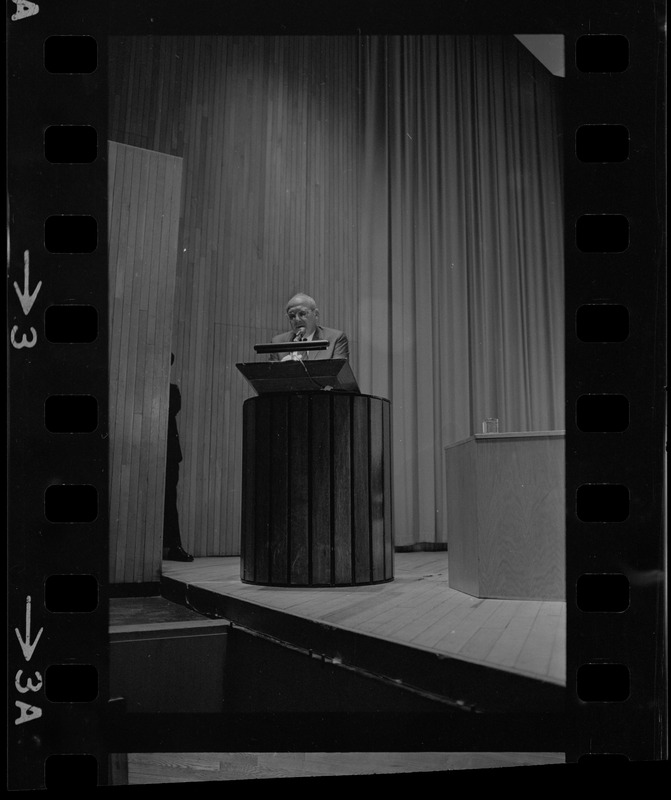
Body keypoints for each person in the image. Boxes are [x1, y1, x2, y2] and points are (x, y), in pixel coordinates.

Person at [163, 354, 194, 562]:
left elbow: (170, 410)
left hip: (170, 452)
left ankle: (174, 546)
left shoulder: (172, 390)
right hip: (160, 450)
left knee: (170, 500)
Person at [269, 293, 349, 361]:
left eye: (302, 314)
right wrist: (283, 370)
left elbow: (338, 374)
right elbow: (270, 377)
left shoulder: (335, 339)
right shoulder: (278, 342)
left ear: (316, 314)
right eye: (292, 316)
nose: (297, 319)